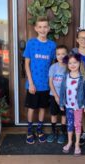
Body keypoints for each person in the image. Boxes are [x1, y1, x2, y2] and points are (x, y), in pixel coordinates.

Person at [23, 16, 56, 144]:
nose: (43, 29)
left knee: (42, 108)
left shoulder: (52, 45)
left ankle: (39, 129)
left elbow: (54, 64)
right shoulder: (31, 43)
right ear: (36, 28)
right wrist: (30, 82)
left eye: (45, 27)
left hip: (46, 84)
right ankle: (30, 131)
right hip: (33, 84)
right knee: (31, 108)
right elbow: (26, 64)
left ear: (48, 28)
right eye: (40, 27)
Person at [59, 53, 85, 155]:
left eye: (75, 62)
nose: (72, 65)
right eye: (70, 63)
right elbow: (62, 91)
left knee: (77, 125)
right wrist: (61, 103)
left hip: (78, 106)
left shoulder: (83, 78)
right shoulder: (66, 76)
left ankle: (77, 144)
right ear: (67, 65)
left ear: (79, 63)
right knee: (69, 124)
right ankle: (70, 142)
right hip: (68, 106)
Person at [47, 45, 68, 144]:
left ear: (67, 55)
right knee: (54, 114)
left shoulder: (69, 67)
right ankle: (53, 131)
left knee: (64, 115)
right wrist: (55, 96)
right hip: (53, 95)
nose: (61, 56)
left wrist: (62, 97)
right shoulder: (53, 67)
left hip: (65, 96)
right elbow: (50, 82)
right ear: (55, 56)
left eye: (63, 54)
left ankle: (63, 133)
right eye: (58, 54)